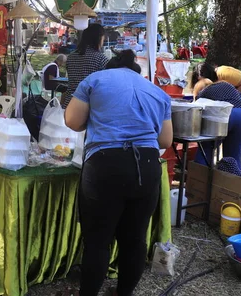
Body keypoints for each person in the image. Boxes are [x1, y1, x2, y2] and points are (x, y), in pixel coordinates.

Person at [65, 49, 172, 296]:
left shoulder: (94, 80)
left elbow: (72, 121)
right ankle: (124, 293)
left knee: (98, 241)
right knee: (134, 240)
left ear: (110, 67)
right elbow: (165, 140)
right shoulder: (157, 92)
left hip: (105, 166)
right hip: (146, 167)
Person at [192, 78, 241, 168]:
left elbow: (195, 107)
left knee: (206, 149)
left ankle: (199, 178)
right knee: (233, 155)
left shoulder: (204, 91)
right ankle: (231, 180)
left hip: (226, 114)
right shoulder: (228, 86)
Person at [61, 23, 109, 109]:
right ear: (98, 38)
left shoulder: (71, 57)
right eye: (103, 38)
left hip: (69, 103)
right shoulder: (101, 59)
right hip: (90, 106)